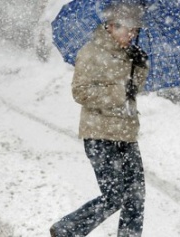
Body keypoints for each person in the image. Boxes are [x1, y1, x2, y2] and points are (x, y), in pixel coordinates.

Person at [50, 3, 149, 237]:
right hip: (100, 134)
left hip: (126, 133)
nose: (132, 35)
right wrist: (117, 93)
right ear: (112, 26)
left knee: (136, 196)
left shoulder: (130, 55)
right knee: (114, 197)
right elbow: (81, 92)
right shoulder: (91, 52)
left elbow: (134, 91)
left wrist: (141, 66)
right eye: (128, 30)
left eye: (135, 31)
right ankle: (66, 229)